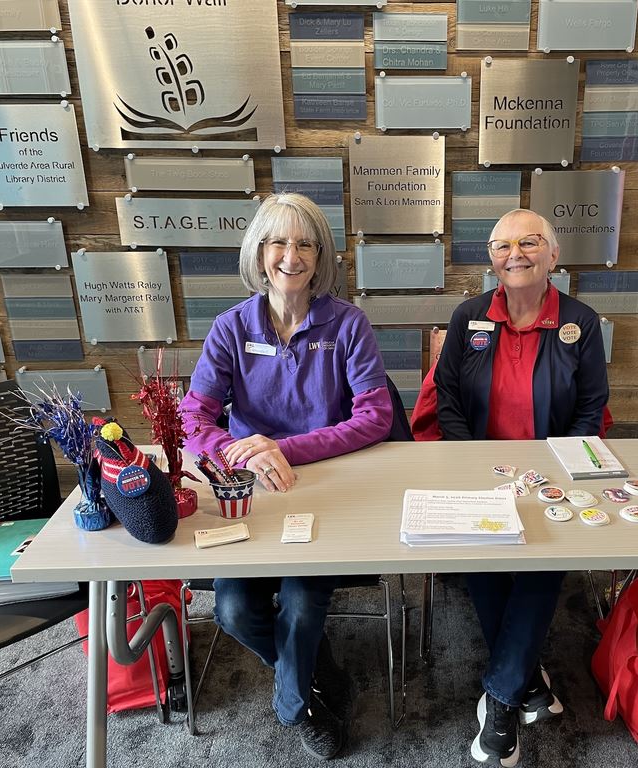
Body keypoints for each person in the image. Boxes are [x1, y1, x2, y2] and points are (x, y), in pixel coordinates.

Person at [180, 193, 393, 760]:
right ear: (259, 252)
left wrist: (284, 449)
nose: (290, 256)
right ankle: (317, 670)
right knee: (232, 610)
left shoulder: (348, 325)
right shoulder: (231, 327)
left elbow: (376, 417)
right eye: (277, 242)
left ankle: (298, 707)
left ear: (321, 257)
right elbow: (193, 418)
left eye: (305, 244)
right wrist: (240, 452)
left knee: (300, 604)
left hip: (324, 492)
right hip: (249, 495)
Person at [423, 208, 609, 767]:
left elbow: (590, 408)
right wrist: (473, 463)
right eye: (502, 245)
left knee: (543, 566)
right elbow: (447, 398)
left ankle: (501, 697)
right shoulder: (469, 317)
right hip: (477, 470)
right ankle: (525, 681)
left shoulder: (581, 322)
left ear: (553, 255)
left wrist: (555, 471)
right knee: (483, 560)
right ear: (491, 258)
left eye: (529, 242)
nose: (516, 254)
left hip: (549, 475)